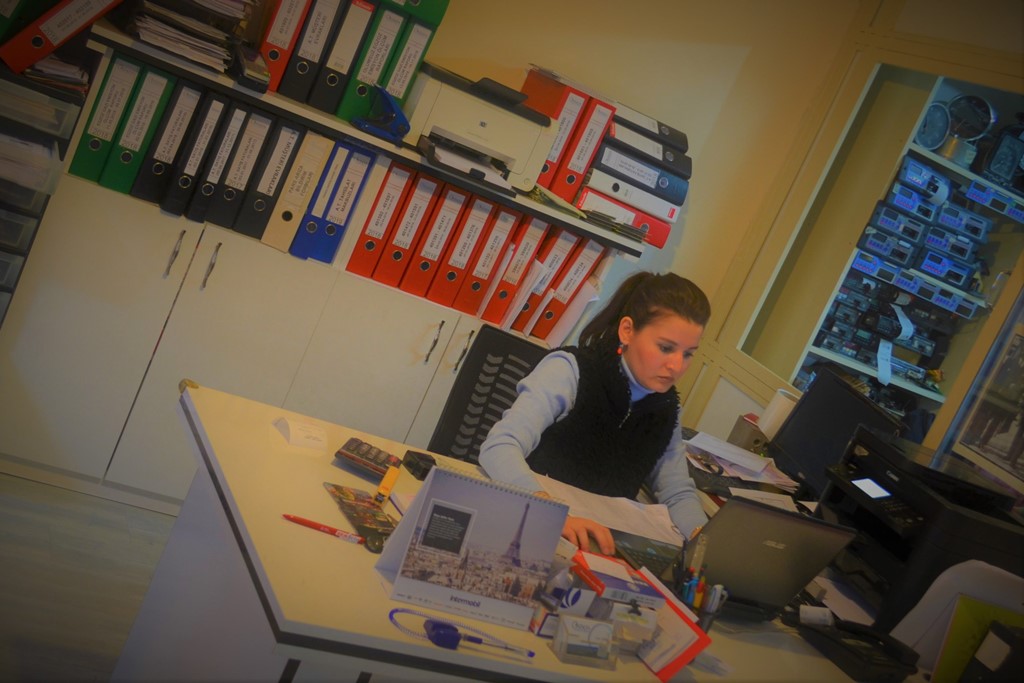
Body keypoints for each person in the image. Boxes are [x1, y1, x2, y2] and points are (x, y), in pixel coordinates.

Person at [478, 271, 710, 555]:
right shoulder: (570, 370)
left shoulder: (666, 407)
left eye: (688, 354)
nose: (676, 366)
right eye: (665, 348)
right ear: (627, 331)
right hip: (532, 521)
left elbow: (677, 492)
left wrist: (704, 543)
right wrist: (547, 508)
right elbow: (500, 445)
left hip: (597, 544)